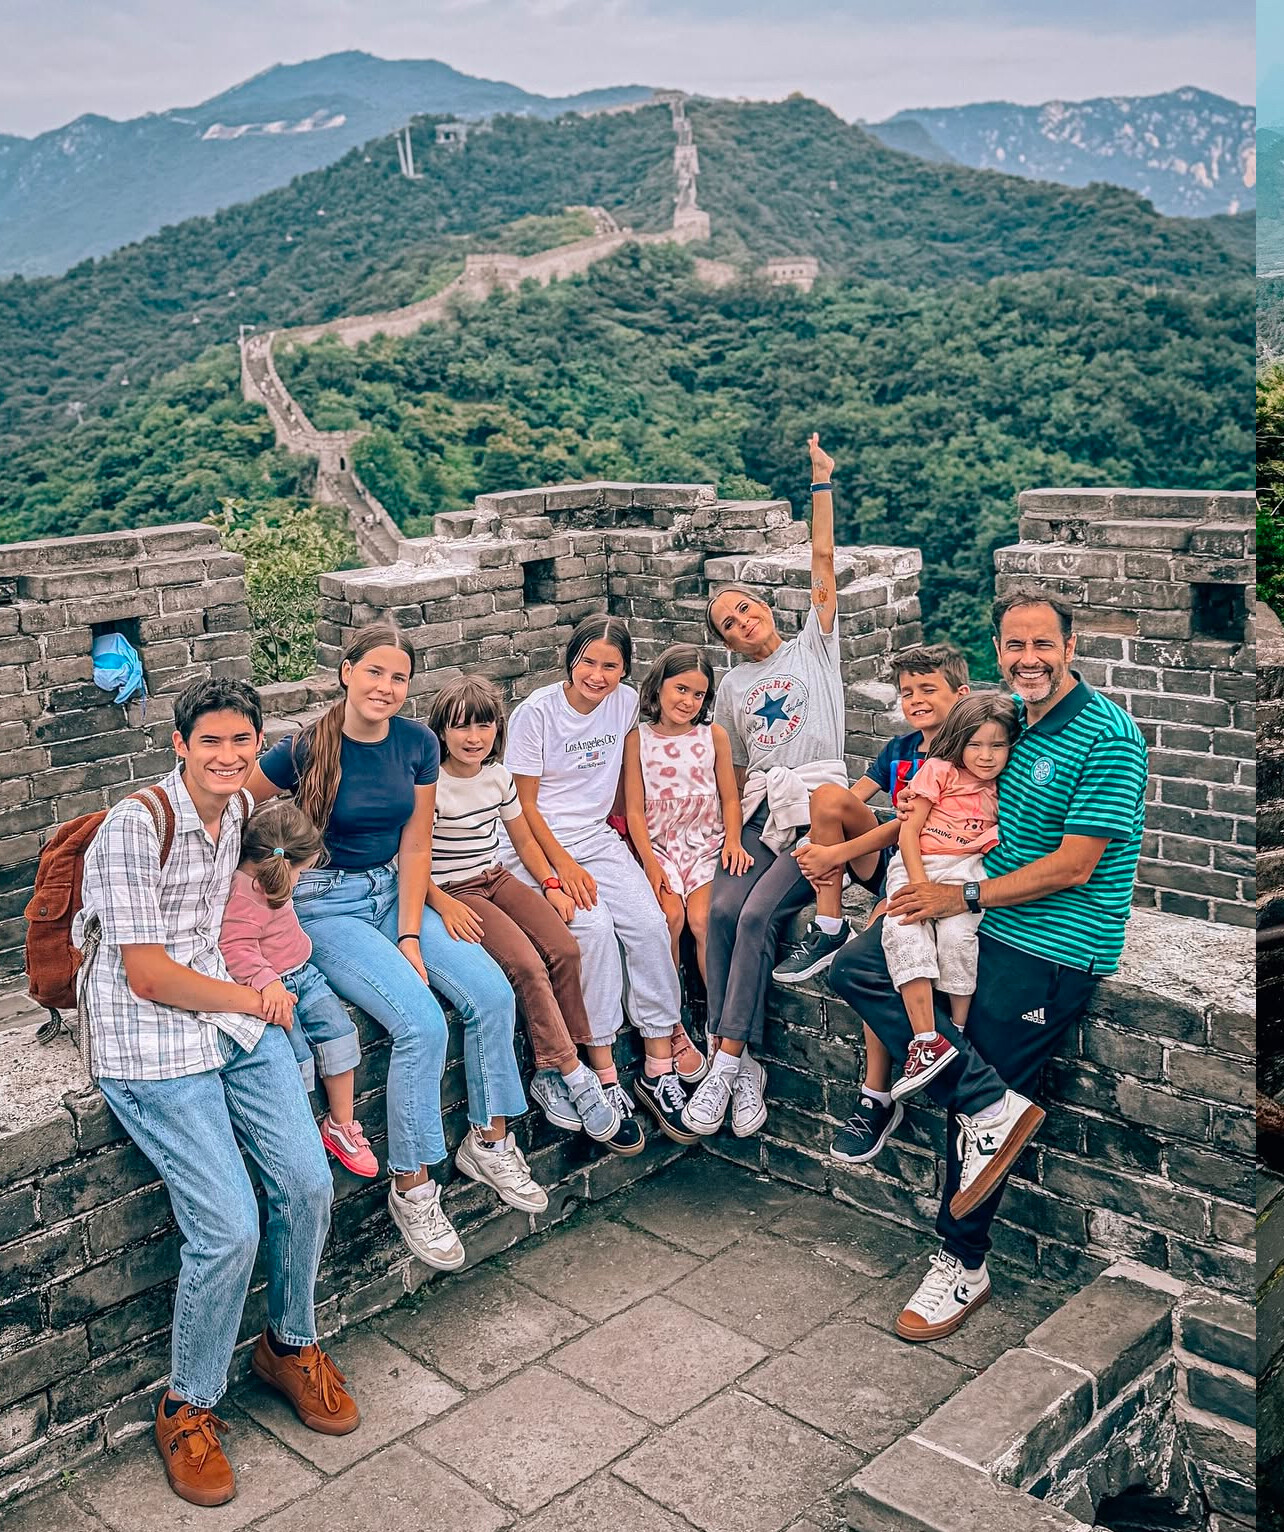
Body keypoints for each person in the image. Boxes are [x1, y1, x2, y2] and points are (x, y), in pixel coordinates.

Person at [828, 588, 1148, 1343]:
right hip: (979, 908)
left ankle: (963, 1262)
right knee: (857, 968)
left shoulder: (1109, 735)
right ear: (998, 651)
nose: (1029, 659)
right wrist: (918, 883)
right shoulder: (1007, 720)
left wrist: (959, 893)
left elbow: (1074, 866)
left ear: (1071, 648)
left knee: (976, 1087)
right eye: (1015, 645)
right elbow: (938, 805)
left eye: (1043, 645)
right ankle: (988, 1102)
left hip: (1054, 940)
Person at [76, 677, 357, 1509]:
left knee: (307, 1181)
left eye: (242, 741)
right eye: (211, 742)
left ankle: (288, 1345)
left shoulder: (237, 812)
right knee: (229, 1226)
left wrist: (255, 987)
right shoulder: (136, 826)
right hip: (148, 1036)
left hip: (225, 1013)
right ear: (180, 745)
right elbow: (147, 974)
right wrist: (253, 997)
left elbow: (229, 926)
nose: (228, 756)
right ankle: (187, 1404)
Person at [247, 622, 543, 1277]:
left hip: (393, 892)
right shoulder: (306, 746)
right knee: (421, 1023)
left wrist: (410, 933)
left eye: (399, 677)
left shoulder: (416, 743)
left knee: (492, 994)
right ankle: (412, 1186)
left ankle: (489, 1142)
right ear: (347, 672)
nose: (385, 686)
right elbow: (234, 797)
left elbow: (415, 843)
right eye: (374, 671)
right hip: (325, 904)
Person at [682, 432, 852, 1141]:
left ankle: (724, 1060)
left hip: (816, 810)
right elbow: (734, 770)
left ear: (766, 609)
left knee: (758, 918)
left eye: (745, 608)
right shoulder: (730, 688)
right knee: (722, 909)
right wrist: (732, 835)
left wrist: (821, 482)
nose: (741, 621)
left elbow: (822, 560)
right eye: (728, 623)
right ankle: (743, 1063)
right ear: (725, 641)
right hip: (760, 811)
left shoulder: (816, 644)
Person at [502, 614, 699, 1147]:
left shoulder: (625, 703)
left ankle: (658, 1065)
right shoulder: (537, 713)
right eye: (588, 662)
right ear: (570, 660)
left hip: (595, 837)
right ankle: (604, 1072)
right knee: (593, 933)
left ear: (625, 670)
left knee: (650, 924)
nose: (597, 675)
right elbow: (522, 807)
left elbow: (642, 771)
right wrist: (559, 869)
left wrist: (650, 855)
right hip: (536, 842)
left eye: (610, 666)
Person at [773, 644, 972, 1164]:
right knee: (826, 796)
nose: (916, 700)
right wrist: (814, 841)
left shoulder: (967, 755)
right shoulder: (900, 749)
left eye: (928, 689)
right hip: (891, 863)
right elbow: (849, 803)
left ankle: (876, 1095)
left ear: (960, 694)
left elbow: (909, 826)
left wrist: (834, 853)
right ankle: (829, 923)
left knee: (877, 958)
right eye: (907, 692)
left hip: (935, 870)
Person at [425, 674, 625, 1149]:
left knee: (565, 948)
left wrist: (552, 884)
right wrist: (442, 902)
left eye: (484, 725)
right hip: (457, 889)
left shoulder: (498, 777)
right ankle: (571, 1073)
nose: (474, 737)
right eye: (461, 727)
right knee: (527, 965)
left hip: (495, 877)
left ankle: (555, 1065)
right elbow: (408, 859)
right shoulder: (432, 786)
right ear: (442, 732)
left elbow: (523, 841)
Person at [219, 800, 378, 1178]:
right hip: (272, 990)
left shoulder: (275, 878)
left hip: (304, 975)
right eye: (303, 872)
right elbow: (234, 946)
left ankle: (341, 1125)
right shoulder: (243, 893)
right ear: (284, 863)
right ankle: (302, 1133)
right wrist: (267, 982)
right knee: (297, 1059)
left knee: (339, 1032)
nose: (303, 879)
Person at [880, 692, 1018, 1098]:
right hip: (919, 863)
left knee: (959, 938)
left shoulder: (1004, 786)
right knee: (905, 930)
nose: (987, 756)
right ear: (959, 739)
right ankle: (926, 1039)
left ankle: (955, 1031)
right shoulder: (939, 770)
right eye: (975, 744)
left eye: (998, 745)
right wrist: (919, 885)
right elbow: (908, 832)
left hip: (966, 871)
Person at [623, 643, 751, 984]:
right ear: (658, 685)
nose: (688, 701)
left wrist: (733, 841)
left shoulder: (713, 736)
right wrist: (649, 863)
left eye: (698, 694)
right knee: (669, 918)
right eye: (681, 689)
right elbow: (634, 810)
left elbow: (730, 799)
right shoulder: (638, 740)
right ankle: (670, 1007)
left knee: (702, 920)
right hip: (660, 848)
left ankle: (718, 1011)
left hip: (705, 845)